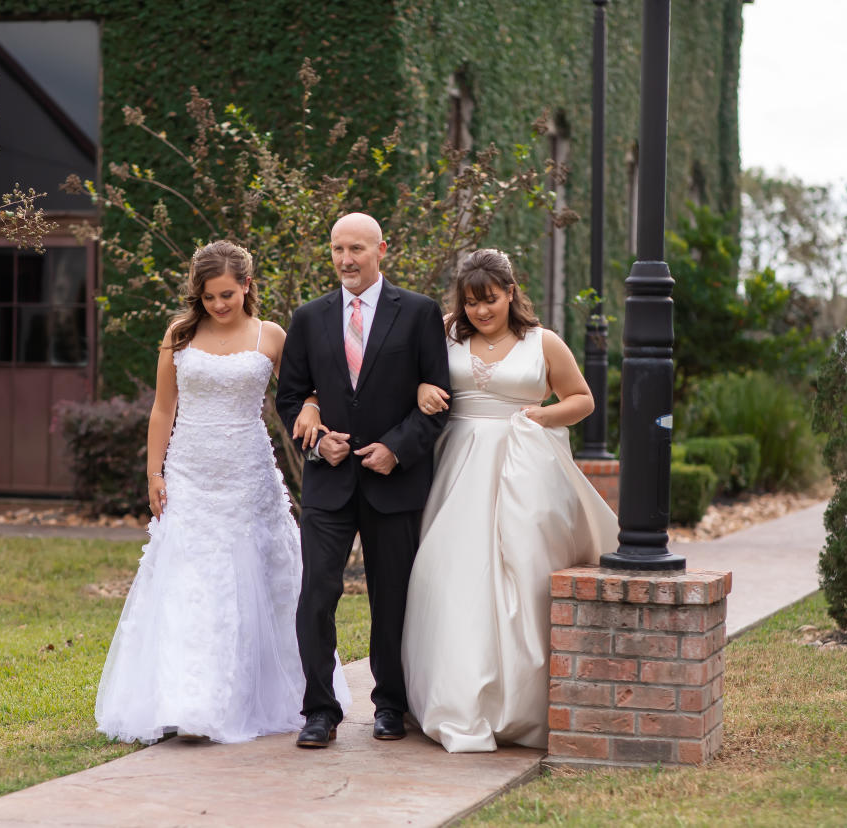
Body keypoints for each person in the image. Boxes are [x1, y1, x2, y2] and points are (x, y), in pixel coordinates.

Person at [96, 240, 349, 745]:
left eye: (228, 295)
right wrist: (155, 473)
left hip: (249, 476)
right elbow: (163, 409)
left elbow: (306, 390)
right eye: (210, 297)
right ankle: (185, 699)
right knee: (190, 583)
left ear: (248, 286)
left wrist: (314, 409)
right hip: (189, 473)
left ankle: (259, 696)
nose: (218, 305)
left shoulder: (271, 336)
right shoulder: (180, 334)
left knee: (260, 583)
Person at [402, 248, 619, 753]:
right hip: (457, 464)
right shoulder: (444, 333)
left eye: (491, 300)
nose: (481, 311)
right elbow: (412, 377)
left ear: (510, 293)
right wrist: (420, 391)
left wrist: (542, 416)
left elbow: (582, 399)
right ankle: (454, 697)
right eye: (472, 302)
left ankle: (518, 706)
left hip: (523, 468)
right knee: (451, 574)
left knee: (520, 575)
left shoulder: (543, 342)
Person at [276, 213, 451, 749]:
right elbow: (291, 396)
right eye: (336, 250)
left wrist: (397, 450)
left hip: (393, 484)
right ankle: (320, 710)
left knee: (391, 598)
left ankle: (390, 705)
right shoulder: (309, 317)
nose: (345, 259)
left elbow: (439, 401)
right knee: (316, 596)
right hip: (329, 482)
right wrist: (315, 436)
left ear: (381, 249)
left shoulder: (419, 313)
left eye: (355, 248)